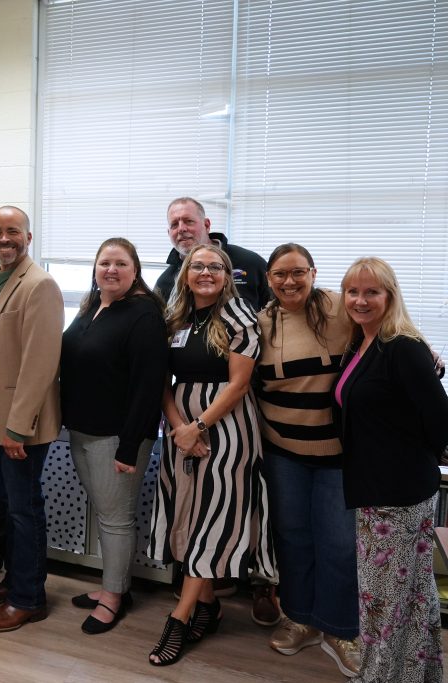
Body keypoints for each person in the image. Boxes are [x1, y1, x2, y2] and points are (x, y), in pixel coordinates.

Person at [147, 244, 275, 666]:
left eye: (215, 267)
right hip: (179, 426)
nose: (206, 272)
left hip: (227, 428)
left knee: (212, 519)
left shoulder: (241, 317)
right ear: (186, 273)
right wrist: (178, 427)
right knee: (187, 514)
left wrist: (198, 426)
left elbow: (239, 384)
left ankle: (178, 618)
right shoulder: (174, 318)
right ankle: (208, 607)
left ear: (227, 275)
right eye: (197, 266)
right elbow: (160, 379)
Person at [335, 257, 447, 683]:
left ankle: (377, 677)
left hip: (397, 496)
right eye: (353, 292)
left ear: (390, 297)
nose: (360, 300)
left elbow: (439, 420)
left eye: (372, 292)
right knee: (414, 598)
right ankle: (420, 675)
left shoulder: (403, 347)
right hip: (378, 489)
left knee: (382, 602)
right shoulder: (361, 343)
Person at [256, 244, 360, 677]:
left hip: (339, 455)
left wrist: (425, 356)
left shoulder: (341, 309)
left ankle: (339, 629)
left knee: (339, 544)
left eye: (298, 272)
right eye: (279, 274)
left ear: (314, 273)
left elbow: (387, 332)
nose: (289, 281)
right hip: (284, 453)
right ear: (268, 279)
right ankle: (299, 619)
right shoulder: (262, 322)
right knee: (293, 538)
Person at [60, 238, 168, 634]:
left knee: (116, 519)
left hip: (117, 438)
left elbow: (148, 386)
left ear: (135, 270)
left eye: (120, 263)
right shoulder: (94, 308)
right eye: (104, 262)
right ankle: (114, 586)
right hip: (83, 431)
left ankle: (113, 598)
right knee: (106, 514)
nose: (111, 269)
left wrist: (129, 444)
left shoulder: (143, 315)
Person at [0, 206, 64, 633]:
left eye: (12, 232)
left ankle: (28, 598)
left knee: (24, 511)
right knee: (7, 508)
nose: (3, 239)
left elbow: (39, 363)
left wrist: (16, 427)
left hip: (17, 427)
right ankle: (15, 582)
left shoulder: (39, 285)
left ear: (28, 236)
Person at [155, 197, 270, 309]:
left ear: (207, 225)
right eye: (174, 224)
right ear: (168, 232)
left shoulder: (250, 263)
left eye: (189, 221)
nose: (181, 229)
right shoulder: (164, 282)